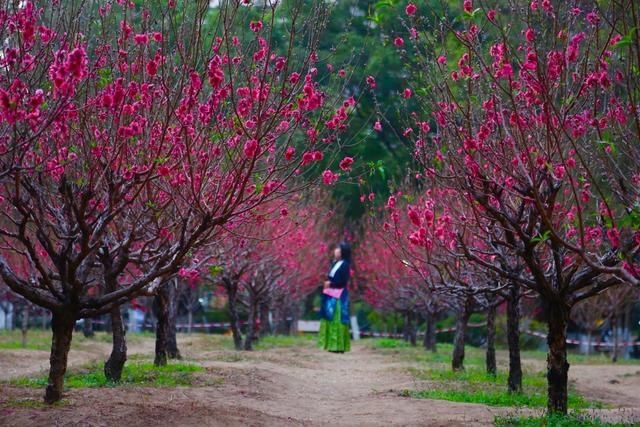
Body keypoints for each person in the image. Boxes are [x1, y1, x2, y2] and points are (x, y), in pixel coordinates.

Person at [318, 241, 351, 353]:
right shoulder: (334, 263)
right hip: (330, 295)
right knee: (329, 319)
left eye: (338, 249)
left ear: (342, 252)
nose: (336, 250)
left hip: (338, 297)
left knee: (337, 319)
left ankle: (338, 346)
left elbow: (343, 281)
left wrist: (330, 284)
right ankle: (330, 345)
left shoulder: (345, 265)